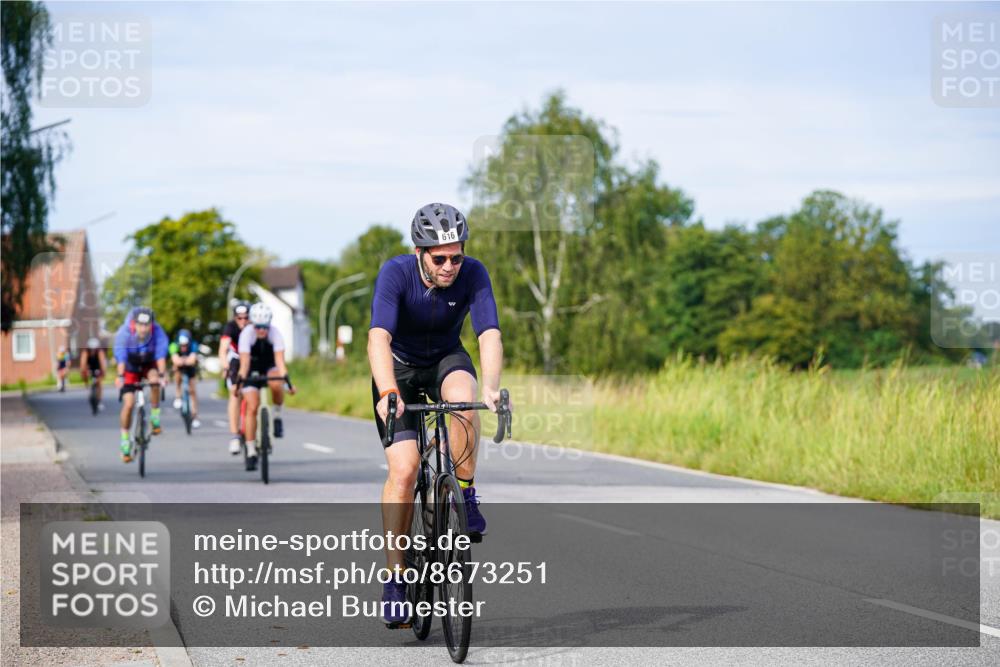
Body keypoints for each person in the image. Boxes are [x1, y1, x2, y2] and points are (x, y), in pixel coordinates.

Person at [368, 202, 504, 625]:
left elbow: (489, 333)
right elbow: (378, 336)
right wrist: (388, 389)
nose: (450, 266)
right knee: (405, 470)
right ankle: (395, 579)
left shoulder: (474, 273)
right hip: (401, 369)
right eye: (440, 258)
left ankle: (464, 490)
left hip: (446, 357)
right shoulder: (396, 273)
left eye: (456, 257)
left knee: (464, 399)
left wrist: (494, 388)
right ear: (419, 252)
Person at [236, 302, 295, 470]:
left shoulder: (275, 334)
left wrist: (287, 382)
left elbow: (280, 363)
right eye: (258, 327)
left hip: (269, 366)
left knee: (277, 382)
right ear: (252, 324)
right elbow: (244, 363)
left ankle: (277, 416)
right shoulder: (246, 335)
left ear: (269, 324)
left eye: (264, 327)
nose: (261, 330)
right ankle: (250, 449)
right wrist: (239, 382)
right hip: (252, 368)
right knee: (252, 407)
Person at [113, 307, 168, 462]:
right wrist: (120, 376)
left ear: (151, 324)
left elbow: (161, 354)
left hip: (148, 364)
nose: (143, 329)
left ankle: (155, 418)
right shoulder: (124, 334)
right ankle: (125, 441)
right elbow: (121, 356)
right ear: (134, 324)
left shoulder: (157, 332)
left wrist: (162, 375)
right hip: (130, 366)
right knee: (129, 404)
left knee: (155, 380)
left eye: (147, 325)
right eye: (140, 325)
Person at [219, 301, 250, 454]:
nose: (243, 321)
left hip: (251, 359)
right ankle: (234, 436)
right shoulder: (230, 327)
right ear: (235, 318)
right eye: (239, 318)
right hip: (236, 360)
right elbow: (223, 349)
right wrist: (225, 366)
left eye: (246, 318)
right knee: (234, 393)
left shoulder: (253, 328)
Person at [170, 329, 201, 428]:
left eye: (185, 345)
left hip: (190, 367)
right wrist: (182, 361)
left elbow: (192, 360)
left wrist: (186, 361)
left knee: (192, 391)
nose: (183, 347)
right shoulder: (173, 346)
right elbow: (175, 360)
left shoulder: (193, 345)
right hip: (180, 366)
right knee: (177, 372)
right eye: (181, 345)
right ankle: (178, 395)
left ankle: (194, 416)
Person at [79, 337, 107, 410]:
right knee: (84, 373)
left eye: (94, 349)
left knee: (100, 383)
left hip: (98, 366)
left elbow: (102, 363)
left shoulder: (100, 352)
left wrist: (103, 372)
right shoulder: (85, 352)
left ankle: (99, 401)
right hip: (89, 367)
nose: (93, 351)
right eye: (91, 349)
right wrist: (84, 372)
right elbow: (83, 364)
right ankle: (87, 385)